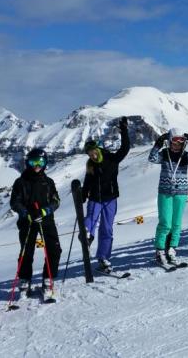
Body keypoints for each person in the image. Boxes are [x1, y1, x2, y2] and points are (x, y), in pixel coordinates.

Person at [10, 148, 61, 300]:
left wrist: (45, 211)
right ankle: (25, 279)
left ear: (45, 163)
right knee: (27, 251)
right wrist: (26, 213)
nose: (37, 165)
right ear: (27, 163)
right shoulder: (21, 182)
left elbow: (56, 201)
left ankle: (48, 278)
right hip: (28, 221)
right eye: (33, 162)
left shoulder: (48, 182)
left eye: (40, 162)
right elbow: (14, 202)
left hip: (46, 220)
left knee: (54, 249)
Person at [82, 116, 130, 273]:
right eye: (89, 154)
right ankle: (87, 237)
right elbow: (87, 182)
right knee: (90, 220)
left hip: (110, 199)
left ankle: (103, 258)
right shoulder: (90, 165)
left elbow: (125, 149)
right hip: (95, 199)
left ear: (98, 149)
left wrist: (124, 130)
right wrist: (83, 194)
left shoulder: (111, 159)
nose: (92, 155)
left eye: (93, 152)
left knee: (107, 229)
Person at [148, 128, 188, 266]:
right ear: (169, 142)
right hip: (165, 193)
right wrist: (158, 144)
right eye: (174, 141)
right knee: (165, 223)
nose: (177, 145)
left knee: (176, 223)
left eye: (180, 142)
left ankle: (172, 249)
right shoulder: (164, 154)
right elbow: (152, 158)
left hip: (181, 193)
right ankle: (159, 251)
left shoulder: (185, 156)